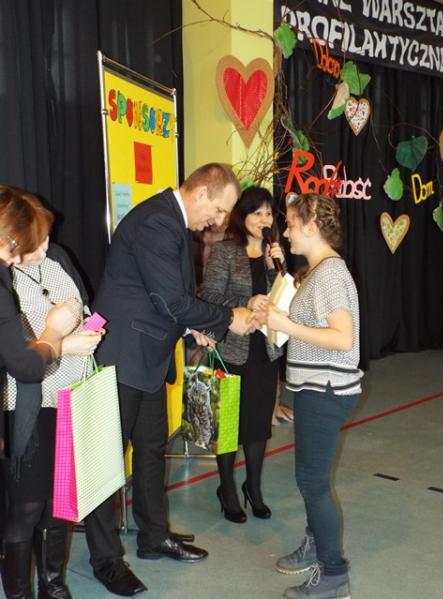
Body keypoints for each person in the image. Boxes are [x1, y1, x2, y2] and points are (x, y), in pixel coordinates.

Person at [84, 163, 258, 597]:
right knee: (107, 464)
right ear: (200, 194)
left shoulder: (171, 222)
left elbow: (161, 298)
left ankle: (153, 536)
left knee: (149, 451)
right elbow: (170, 299)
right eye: (219, 210)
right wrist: (226, 318)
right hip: (124, 358)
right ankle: (106, 560)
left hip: (148, 359)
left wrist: (192, 327)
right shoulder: (158, 222)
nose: (219, 221)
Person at [264, 192, 362, 599]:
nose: (286, 232)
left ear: (311, 226)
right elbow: (309, 327)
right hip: (313, 388)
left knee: (312, 482)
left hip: (326, 390)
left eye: (290, 224)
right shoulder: (317, 272)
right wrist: (275, 317)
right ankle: (315, 543)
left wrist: (286, 324)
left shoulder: (331, 275)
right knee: (310, 481)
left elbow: (342, 338)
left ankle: (334, 575)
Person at [0, 186, 85, 599]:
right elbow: (19, 357)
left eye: (47, 237)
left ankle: (53, 583)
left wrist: (87, 329)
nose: (45, 246)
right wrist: (62, 341)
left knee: (59, 499)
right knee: (26, 504)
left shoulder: (58, 262)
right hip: (25, 403)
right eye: (37, 239)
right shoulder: (6, 275)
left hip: (66, 394)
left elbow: (82, 306)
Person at [202, 185, 285, 522]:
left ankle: (254, 488)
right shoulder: (225, 251)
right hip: (231, 351)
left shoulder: (273, 253)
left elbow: (281, 299)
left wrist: (275, 268)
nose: (264, 219)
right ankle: (227, 489)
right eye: (257, 213)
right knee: (229, 426)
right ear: (243, 215)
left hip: (264, 349)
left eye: (268, 213)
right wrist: (245, 303)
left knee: (258, 424)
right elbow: (209, 299)